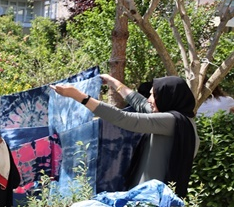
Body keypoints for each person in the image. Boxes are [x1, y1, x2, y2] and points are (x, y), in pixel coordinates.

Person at [51, 74, 199, 197]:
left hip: (150, 199)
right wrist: (113, 82)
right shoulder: (181, 122)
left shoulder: (171, 122)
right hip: (147, 194)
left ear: (168, 97)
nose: (149, 99)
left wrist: (79, 96)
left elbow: (123, 118)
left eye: (153, 95)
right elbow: (140, 103)